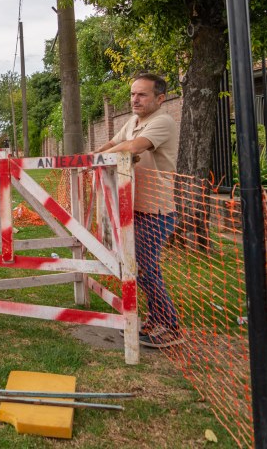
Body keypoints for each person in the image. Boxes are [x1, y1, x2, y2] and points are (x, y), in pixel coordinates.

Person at [96, 73, 183, 348]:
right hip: (133, 206)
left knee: (145, 267)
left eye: (142, 94)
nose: (135, 99)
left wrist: (101, 159)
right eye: (133, 94)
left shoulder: (162, 121)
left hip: (156, 209)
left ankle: (170, 326)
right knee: (138, 267)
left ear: (160, 98)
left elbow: (133, 147)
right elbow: (112, 144)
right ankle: (157, 318)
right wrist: (90, 158)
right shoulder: (133, 121)